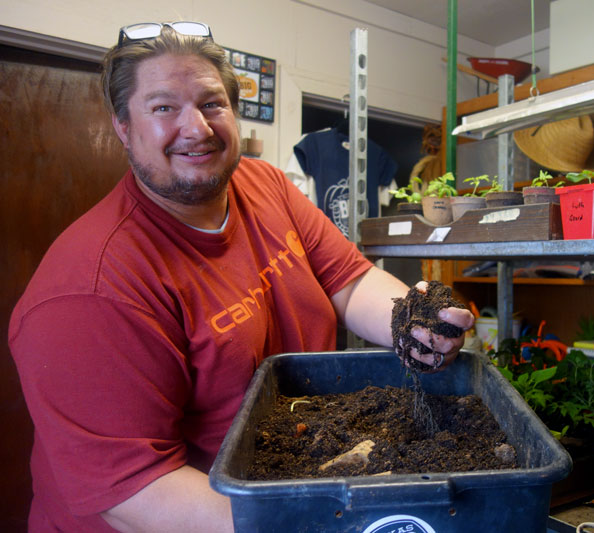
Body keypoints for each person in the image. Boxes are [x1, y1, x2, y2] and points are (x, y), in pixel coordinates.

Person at [8, 22, 474, 532]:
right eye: (163, 107)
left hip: (289, 475)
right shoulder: (90, 288)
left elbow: (351, 279)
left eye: (211, 104)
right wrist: (310, 523)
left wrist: (413, 322)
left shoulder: (264, 184)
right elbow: (135, 493)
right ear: (123, 125)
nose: (197, 128)